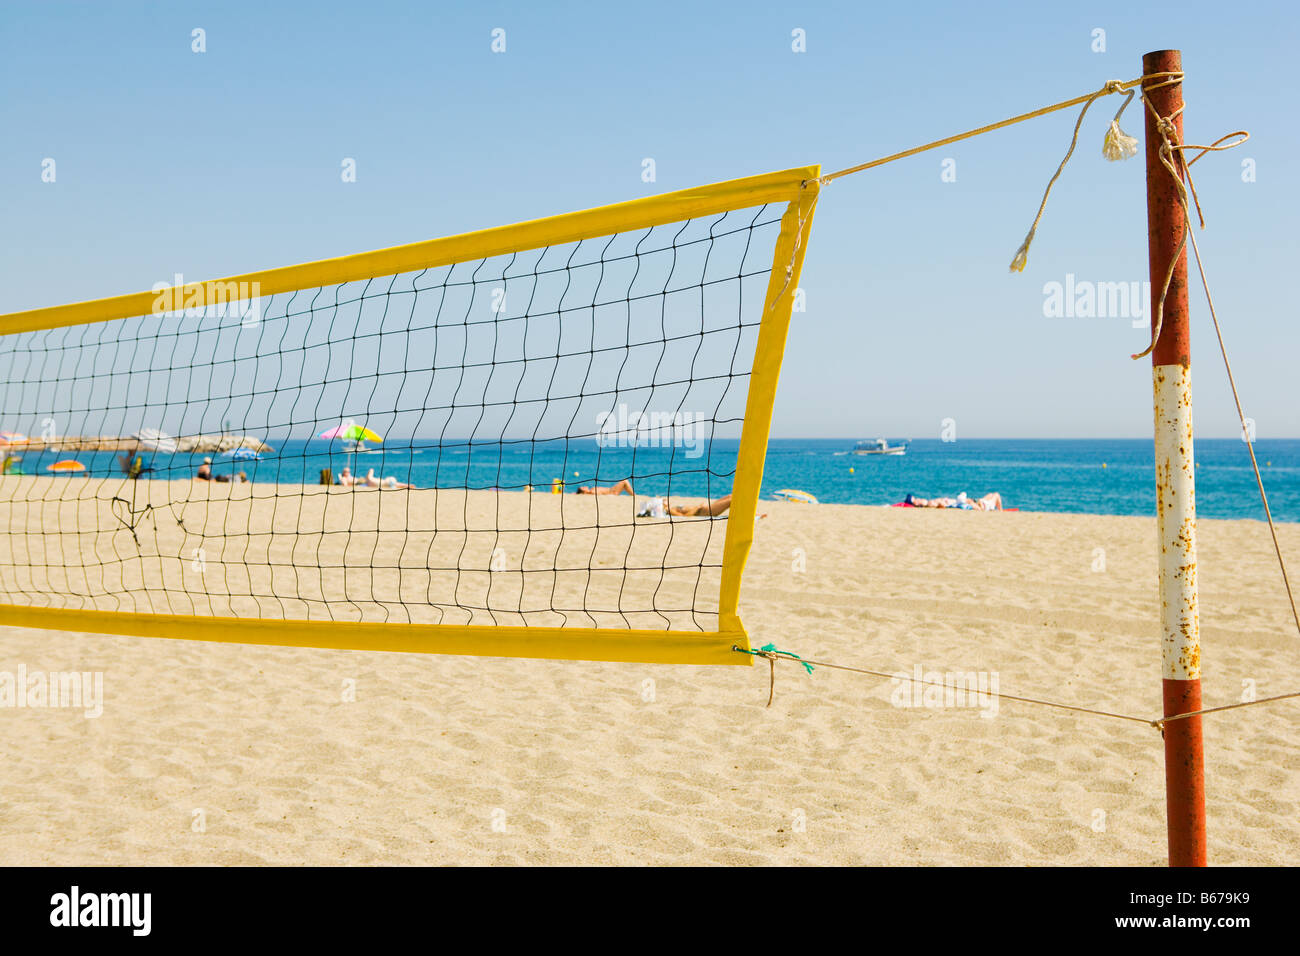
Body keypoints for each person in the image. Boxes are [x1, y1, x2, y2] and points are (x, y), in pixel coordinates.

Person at [637, 493, 732, 517]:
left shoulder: (670, 508)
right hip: (706, 512)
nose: (665, 499)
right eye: (663, 500)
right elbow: (685, 516)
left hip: (706, 507)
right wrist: (698, 507)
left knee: (730, 496)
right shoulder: (670, 510)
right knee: (731, 501)